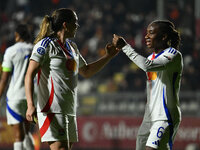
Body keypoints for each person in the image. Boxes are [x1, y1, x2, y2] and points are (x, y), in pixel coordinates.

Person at [25, 8, 118, 150]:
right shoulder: (45, 45)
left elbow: (86, 71)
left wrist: (108, 56)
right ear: (65, 25)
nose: (77, 26)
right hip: (51, 109)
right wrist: (30, 104)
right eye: (75, 22)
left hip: (68, 109)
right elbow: (29, 74)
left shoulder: (72, 47)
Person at [112, 20, 183, 150]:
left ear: (163, 36)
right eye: (146, 33)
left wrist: (126, 47)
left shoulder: (173, 55)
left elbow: (146, 66)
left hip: (165, 115)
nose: (146, 36)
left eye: (151, 33)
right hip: (150, 116)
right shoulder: (151, 57)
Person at [0, 24, 35, 150]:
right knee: (27, 133)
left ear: (16, 35)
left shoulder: (11, 51)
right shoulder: (35, 49)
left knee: (18, 136)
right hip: (31, 97)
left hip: (15, 96)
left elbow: (5, 78)